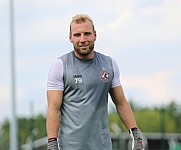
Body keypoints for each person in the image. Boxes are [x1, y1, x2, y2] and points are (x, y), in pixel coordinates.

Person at [46, 14, 144, 150]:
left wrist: (136, 134)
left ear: (95, 35)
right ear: (70, 38)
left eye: (87, 34)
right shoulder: (60, 65)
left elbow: (121, 103)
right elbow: (53, 109)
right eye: (77, 35)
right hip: (70, 146)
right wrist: (52, 143)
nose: (82, 39)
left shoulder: (109, 64)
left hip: (102, 146)